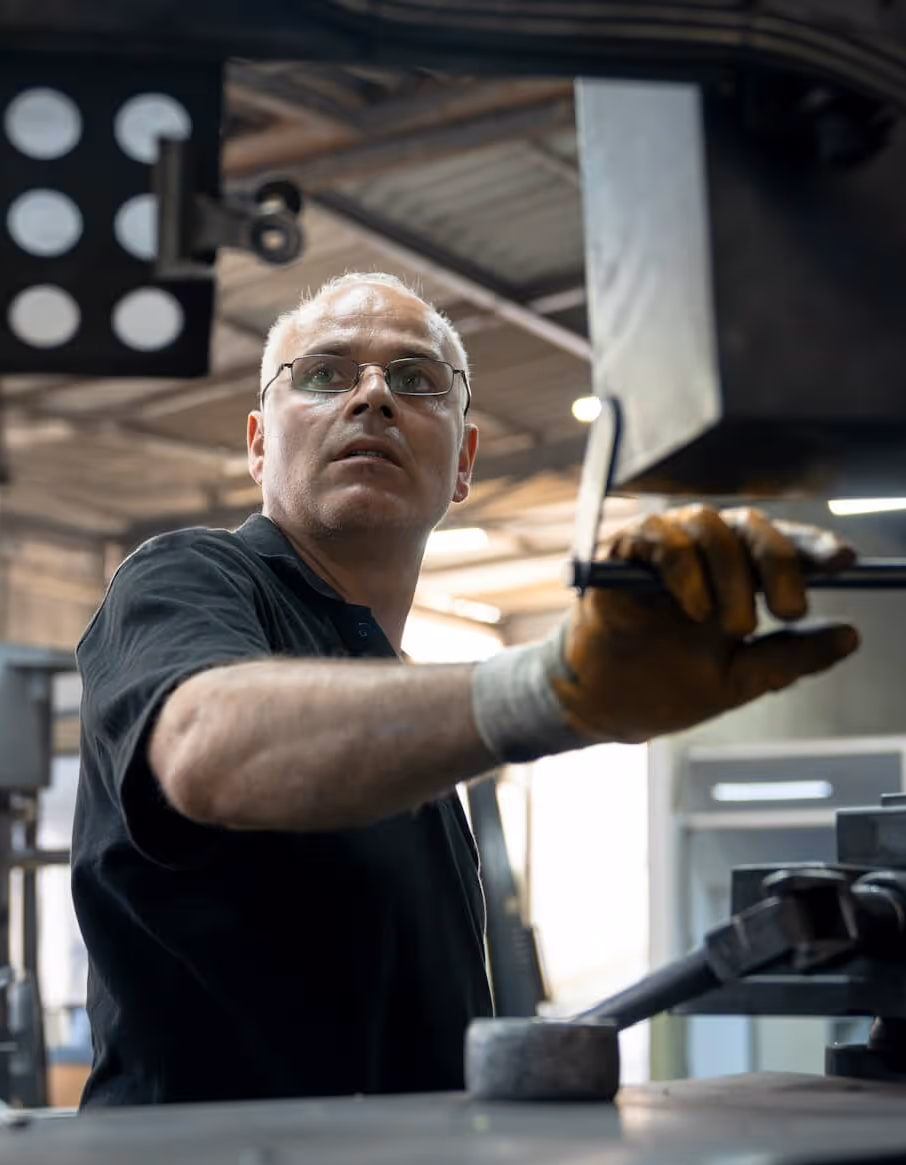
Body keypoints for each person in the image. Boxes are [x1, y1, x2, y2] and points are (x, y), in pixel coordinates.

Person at [70, 271, 861, 1106]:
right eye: (325, 374)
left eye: (416, 380)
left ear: (464, 462)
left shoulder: (409, 713)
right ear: (260, 443)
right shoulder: (189, 576)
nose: (373, 396)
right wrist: (546, 690)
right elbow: (203, 748)